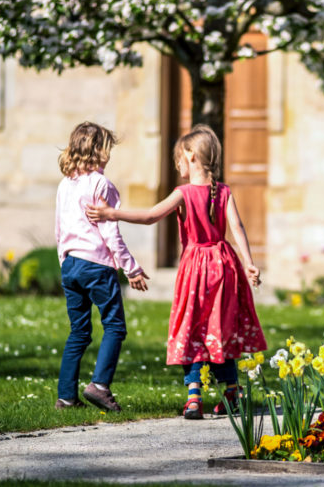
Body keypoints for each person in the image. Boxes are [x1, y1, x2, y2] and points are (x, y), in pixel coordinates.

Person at [86, 124, 267, 419]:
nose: (177, 164)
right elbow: (238, 227)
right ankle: (232, 393)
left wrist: (111, 213)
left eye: (179, 158)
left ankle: (194, 397)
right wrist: (248, 262)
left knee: (193, 329)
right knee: (218, 331)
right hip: (224, 265)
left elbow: (149, 216)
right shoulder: (224, 191)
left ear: (192, 156)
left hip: (196, 270)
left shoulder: (183, 193)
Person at [55, 121, 149, 412]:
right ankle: (99, 386)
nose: (109, 154)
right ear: (97, 150)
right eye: (107, 148)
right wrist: (130, 268)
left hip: (70, 264)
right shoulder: (101, 184)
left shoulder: (64, 184)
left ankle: (66, 397)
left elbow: (59, 228)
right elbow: (110, 232)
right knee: (115, 326)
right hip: (96, 265)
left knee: (79, 332)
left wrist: (64, 261)